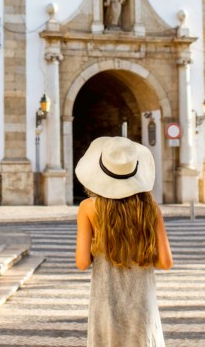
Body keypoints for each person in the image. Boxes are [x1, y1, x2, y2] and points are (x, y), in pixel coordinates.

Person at [75, 136, 173, 347]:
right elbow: (165, 262)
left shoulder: (88, 208)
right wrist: (139, 251)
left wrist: (103, 244)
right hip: (142, 304)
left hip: (105, 303)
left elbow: (82, 262)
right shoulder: (151, 209)